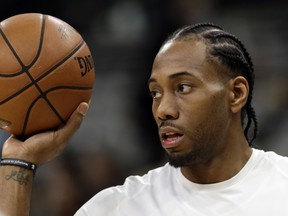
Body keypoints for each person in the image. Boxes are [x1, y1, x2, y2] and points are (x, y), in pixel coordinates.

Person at [1, 23, 288, 216]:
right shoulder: (120, 207)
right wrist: (19, 164)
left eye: (183, 87)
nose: (163, 109)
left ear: (236, 94)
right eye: (155, 92)